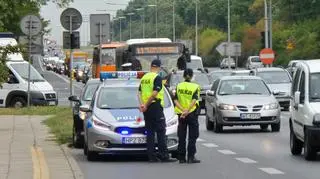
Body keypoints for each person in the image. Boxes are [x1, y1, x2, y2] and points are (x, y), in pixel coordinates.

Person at [138, 59, 176, 163]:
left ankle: (151, 156)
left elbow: (139, 93)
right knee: (161, 130)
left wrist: (143, 105)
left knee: (150, 132)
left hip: (147, 109)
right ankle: (163, 155)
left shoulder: (144, 78)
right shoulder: (157, 77)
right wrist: (146, 104)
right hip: (155, 106)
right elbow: (155, 93)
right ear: (158, 67)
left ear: (151, 66)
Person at [173, 68, 201, 164]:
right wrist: (187, 110)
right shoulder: (195, 87)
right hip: (191, 113)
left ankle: (181, 158)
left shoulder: (179, 86)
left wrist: (182, 110)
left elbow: (175, 100)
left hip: (181, 114)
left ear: (183, 76)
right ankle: (191, 157)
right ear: (192, 76)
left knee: (181, 135)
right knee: (193, 136)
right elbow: (194, 100)